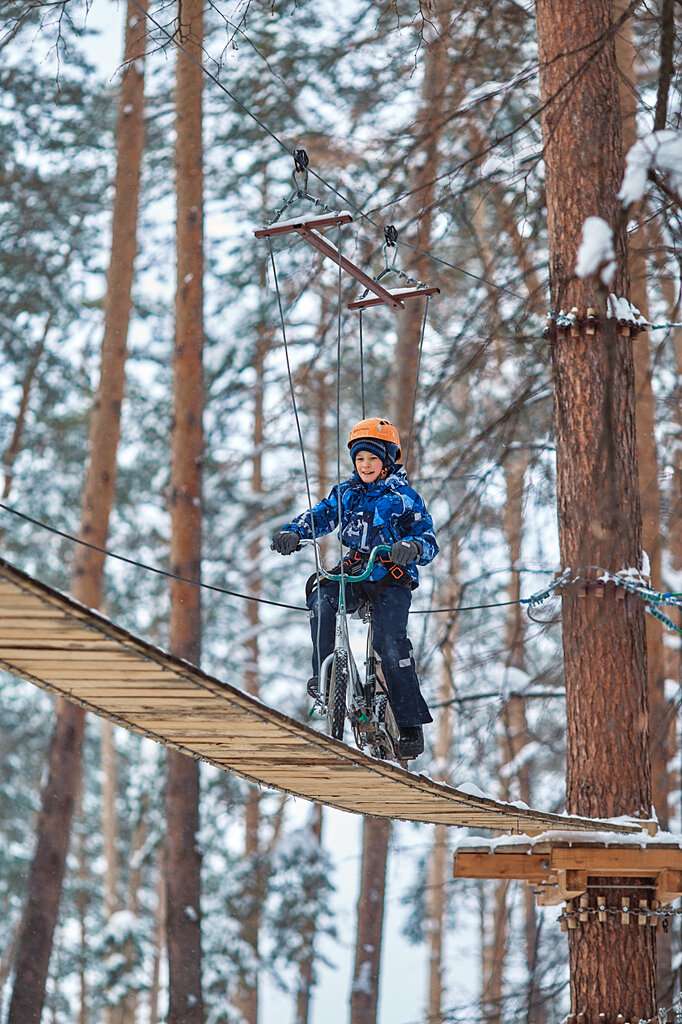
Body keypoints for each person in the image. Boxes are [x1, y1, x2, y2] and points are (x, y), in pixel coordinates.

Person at [271, 417, 438, 759]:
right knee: (321, 595)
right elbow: (320, 515)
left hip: (391, 577)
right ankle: (325, 675)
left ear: (387, 460)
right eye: (360, 459)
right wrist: (294, 532)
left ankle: (409, 723)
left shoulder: (403, 497)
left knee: (390, 643)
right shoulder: (345, 494)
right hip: (355, 572)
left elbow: (428, 539)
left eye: (373, 459)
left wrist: (413, 547)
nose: (365, 465)